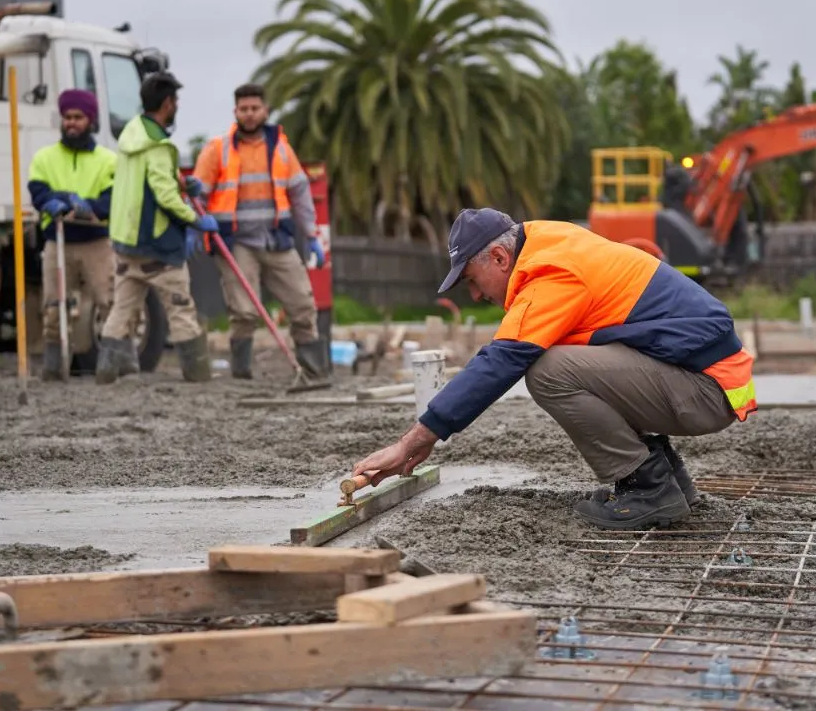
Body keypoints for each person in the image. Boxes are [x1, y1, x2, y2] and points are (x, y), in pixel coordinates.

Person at [351, 208, 758, 530]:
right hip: (702, 380)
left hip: (706, 390)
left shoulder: (552, 273)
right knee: (567, 357)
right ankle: (667, 476)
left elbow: (501, 361)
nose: (474, 294)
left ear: (500, 257)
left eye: (472, 280)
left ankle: (649, 487)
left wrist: (413, 441)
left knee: (549, 370)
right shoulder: (550, 242)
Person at [191, 83, 328, 381]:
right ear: (235, 111)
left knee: (303, 304)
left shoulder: (281, 149)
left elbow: (300, 193)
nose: (250, 114)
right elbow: (196, 194)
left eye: (255, 108)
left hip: (276, 240)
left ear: (265, 110)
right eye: (244, 109)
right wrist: (196, 222)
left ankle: (313, 370)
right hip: (236, 243)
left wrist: (311, 235)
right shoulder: (218, 149)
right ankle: (241, 374)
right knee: (244, 312)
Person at [94, 71, 219, 384]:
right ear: (167, 104)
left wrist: (182, 183)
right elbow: (163, 195)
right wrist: (195, 219)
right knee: (181, 308)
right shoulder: (159, 146)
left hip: (126, 243)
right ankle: (198, 374)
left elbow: (147, 181)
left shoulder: (132, 136)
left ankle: (106, 372)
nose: (177, 106)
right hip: (158, 246)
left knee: (122, 309)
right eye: (175, 101)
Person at [27, 89, 118, 381]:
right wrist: (60, 201)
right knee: (54, 305)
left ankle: (116, 364)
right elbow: (38, 192)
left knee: (109, 301)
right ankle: (55, 369)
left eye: (78, 117)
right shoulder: (45, 158)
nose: (72, 123)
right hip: (58, 240)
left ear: (90, 120)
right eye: (67, 117)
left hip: (96, 242)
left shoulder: (108, 160)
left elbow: (113, 197)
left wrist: (88, 207)